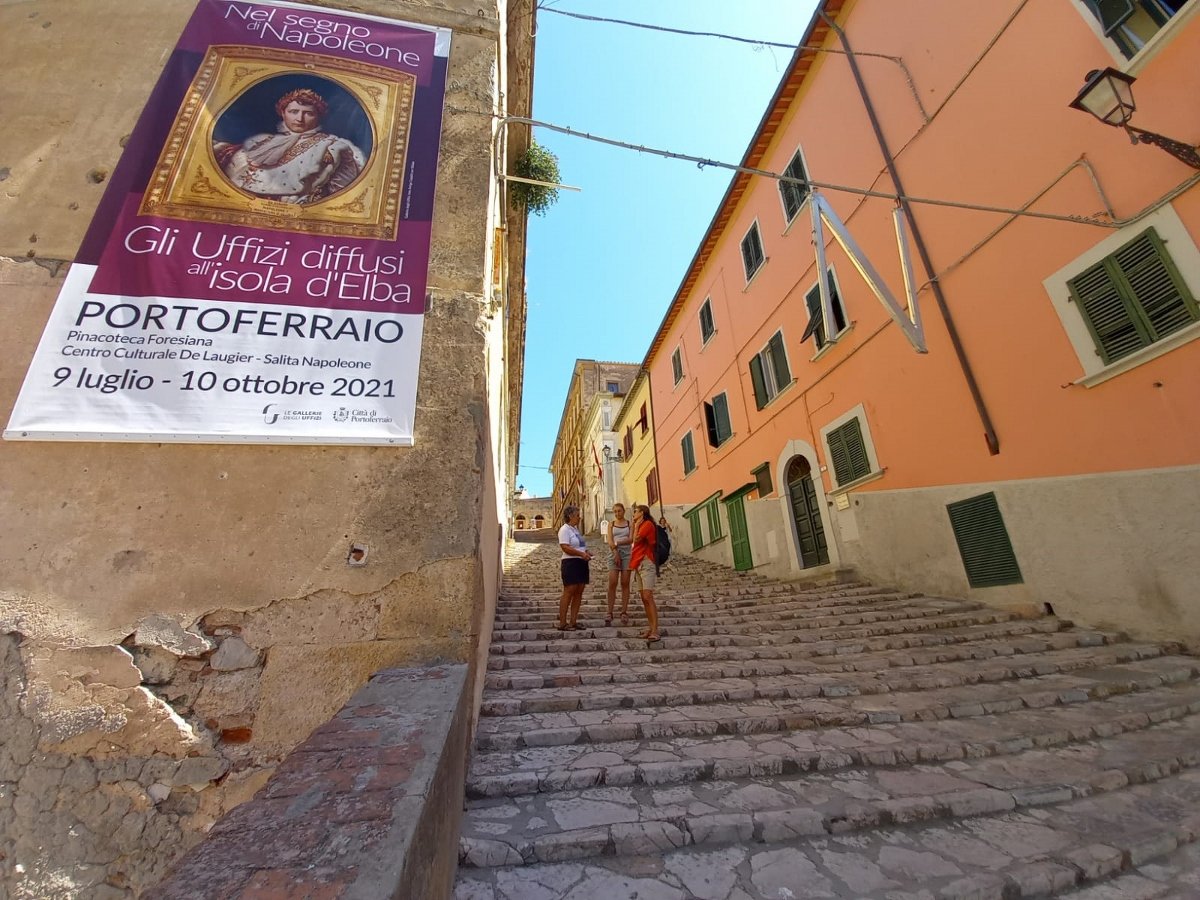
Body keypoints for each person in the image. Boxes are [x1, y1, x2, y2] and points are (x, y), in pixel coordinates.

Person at [213, 88, 366, 204]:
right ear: (283, 113)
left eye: (308, 113)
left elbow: (342, 195)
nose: (299, 118)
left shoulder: (333, 147)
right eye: (293, 111)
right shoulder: (262, 142)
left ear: (318, 116)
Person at [556, 505, 592, 631]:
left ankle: (573, 621)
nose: (580, 518)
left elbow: (580, 545)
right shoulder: (564, 530)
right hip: (570, 563)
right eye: (578, 515)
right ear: (570, 516)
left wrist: (586, 551)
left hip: (581, 562)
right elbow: (565, 547)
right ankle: (562, 623)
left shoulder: (576, 530)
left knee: (579, 591)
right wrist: (581, 554)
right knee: (569, 591)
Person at [630, 504, 660, 643]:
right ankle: (650, 627)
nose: (633, 514)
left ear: (642, 513)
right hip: (638, 563)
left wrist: (635, 526)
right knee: (643, 597)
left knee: (648, 596)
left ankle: (655, 630)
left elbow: (636, 539)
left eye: (635, 511)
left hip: (647, 562)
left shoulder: (647, 524)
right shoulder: (640, 524)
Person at [605, 503, 633, 627]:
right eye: (615, 511)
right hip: (613, 553)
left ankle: (624, 611)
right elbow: (610, 540)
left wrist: (617, 543)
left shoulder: (629, 524)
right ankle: (609, 611)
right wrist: (615, 550)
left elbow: (631, 539)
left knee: (625, 583)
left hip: (627, 554)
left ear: (624, 511)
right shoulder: (611, 524)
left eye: (619, 511)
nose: (617, 513)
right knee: (612, 582)